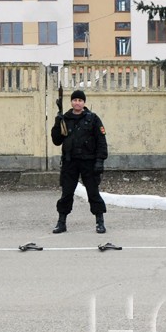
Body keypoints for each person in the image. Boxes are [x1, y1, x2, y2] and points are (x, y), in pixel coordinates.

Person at [50, 89, 109, 234]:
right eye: (75, 100)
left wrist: (100, 161)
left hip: (89, 162)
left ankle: (100, 222)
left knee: (93, 193)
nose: (77, 103)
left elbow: (101, 141)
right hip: (70, 162)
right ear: (71, 102)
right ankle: (61, 223)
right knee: (66, 194)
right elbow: (57, 141)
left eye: (80, 100)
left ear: (84, 102)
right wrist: (57, 122)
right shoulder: (65, 118)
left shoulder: (93, 119)